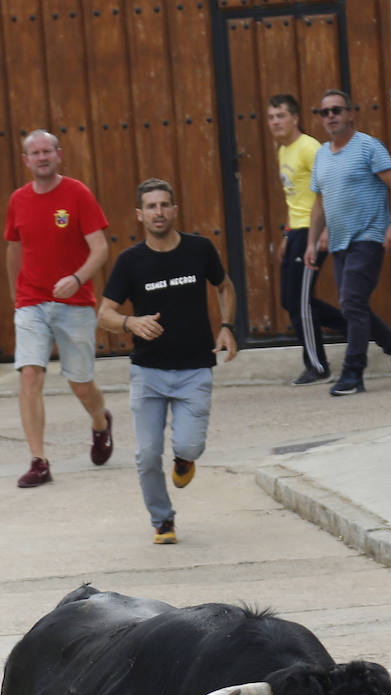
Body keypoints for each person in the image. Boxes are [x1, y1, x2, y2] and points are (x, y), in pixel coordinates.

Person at [96, 179, 237, 545]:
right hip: (148, 372)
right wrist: (130, 323)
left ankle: (185, 460)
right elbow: (105, 314)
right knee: (146, 455)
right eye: (151, 207)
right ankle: (163, 520)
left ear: (174, 210)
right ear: (140, 215)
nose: (158, 212)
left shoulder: (199, 250)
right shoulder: (130, 261)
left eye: (164, 205)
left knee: (189, 446)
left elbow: (224, 286)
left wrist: (226, 327)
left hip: (195, 368)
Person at [4, 130, 113, 488]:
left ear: (58, 154)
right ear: (26, 160)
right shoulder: (18, 200)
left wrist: (77, 279)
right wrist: (15, 298)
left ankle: (100, 422)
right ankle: (39, 461)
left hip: (74, 303)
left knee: (81, 385)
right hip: (32, 303)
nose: (42, 157)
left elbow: (100, 248)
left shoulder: (77, 193)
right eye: (34, 153)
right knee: (30, 376)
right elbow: (14, 250)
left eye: (47, 151)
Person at [304, 90, 391, 397]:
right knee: (355, 305)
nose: (330, 116)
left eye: (336, 110)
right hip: (338, 243)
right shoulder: (322, 155)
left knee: (351, 302)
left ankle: (353, 372)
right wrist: (312, 243)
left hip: (369, 236)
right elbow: (319, 203)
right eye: (324, 112)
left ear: (351, 114)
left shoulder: (368, 147)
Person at [267, 93, 346, 386]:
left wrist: (324, 231)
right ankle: (352, 327)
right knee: (292, 300)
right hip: (297, 232)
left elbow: (329, 189)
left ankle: (317, 366)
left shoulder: (308, 148)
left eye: (281, 116)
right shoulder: (283, 150)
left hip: (314, 230)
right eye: (271, 117)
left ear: (295, 118)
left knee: (300, 302)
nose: (275, 122)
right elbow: (294, 199)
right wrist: (287, 234)